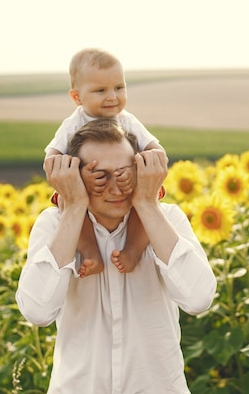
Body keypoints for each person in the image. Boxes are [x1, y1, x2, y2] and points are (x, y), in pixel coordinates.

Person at [16, 118, 216, 393]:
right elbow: (37, 310)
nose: (116, 188)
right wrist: (74, 208)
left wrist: (146, 203)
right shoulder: (54, 225)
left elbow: (199, 298)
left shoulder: (167, 219)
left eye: (124, 174)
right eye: (100, 176)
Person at [44, 47, 164, 278]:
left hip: (127, 186)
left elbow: (158, 153)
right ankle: (91, 252)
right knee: (67, 204)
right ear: (77, 97)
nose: (112, 96)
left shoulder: (127, 121)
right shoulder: (73, 124)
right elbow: (50, 162)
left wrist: (137, 171)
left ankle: (134, 249)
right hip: (87, 191)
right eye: (101, 90)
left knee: (148, 201)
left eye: (119, 87)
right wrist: (80, 176)